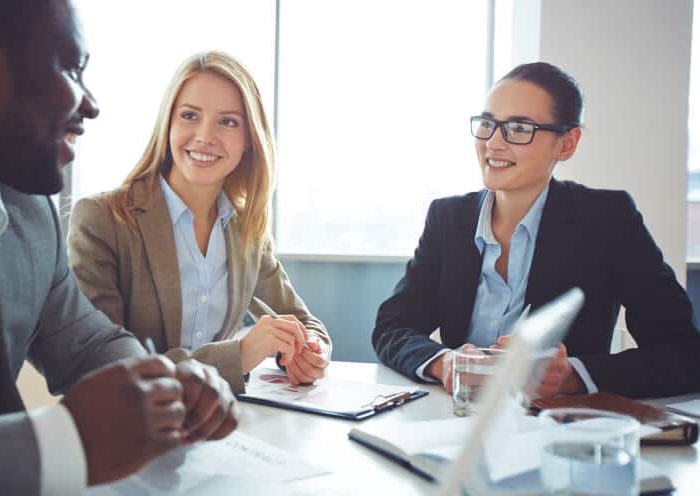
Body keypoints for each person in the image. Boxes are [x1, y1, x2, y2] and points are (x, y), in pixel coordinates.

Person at [0, 1, 238, 495]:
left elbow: (87, 341)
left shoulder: (30, 211)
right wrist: (58, 448)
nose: (91, 105)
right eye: (72, 69)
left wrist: (168, 383)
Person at [373, 61, 700, 400]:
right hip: (454, 421)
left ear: (567, 143)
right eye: (487, 124)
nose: (493, 144)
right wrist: (445, 363)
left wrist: (573, 375)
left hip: (555, 432)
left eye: (519, 128)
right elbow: (393, 327)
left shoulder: (608, 219)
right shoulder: (447, 218)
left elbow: (685, 354)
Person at [68, 51, 331, 393]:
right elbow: (105, 368)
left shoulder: (245, 228)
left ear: (249, 139)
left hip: (223, 424)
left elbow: (305, 322)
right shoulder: (103, 220)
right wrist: (238, 355)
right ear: (168, 124)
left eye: (228, 121)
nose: (205, 136)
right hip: (132, 432)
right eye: (190, 115)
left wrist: (309, 351)